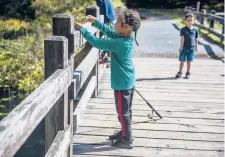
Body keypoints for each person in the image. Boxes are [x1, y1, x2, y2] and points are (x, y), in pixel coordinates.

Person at [74, 9, 141, 149]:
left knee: (123, 112)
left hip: (122, 84)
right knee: (126, 111)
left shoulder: (120, 44)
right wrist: (96, 23)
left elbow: (97, 43)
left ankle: (127, 139)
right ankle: (125, 133)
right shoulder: (125, 38)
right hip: (127, 80)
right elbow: (110, 33)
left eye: (117, 22)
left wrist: (82, 29)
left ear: (126, 27)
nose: (115, 23)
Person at [175, 12, 198, 79]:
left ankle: (188, 72)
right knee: (182, 61)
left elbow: (196, 39)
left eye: (191, 20)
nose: (190, 22)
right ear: (185, 21)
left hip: (191, 48)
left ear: (194, 21)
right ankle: (180, 72)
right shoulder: (183, 29)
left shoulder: (195, 30)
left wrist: (196, 47)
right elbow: (182, 39)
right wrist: (181, 47)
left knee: (189, 61)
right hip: (184, 48)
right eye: (188, 20)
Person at [96, 0, 116, 65]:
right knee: (110, 39)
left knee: (108, 39)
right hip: (112, 18)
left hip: (108, 19)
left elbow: (101, 10)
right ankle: (107, 59)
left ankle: (106, 59)